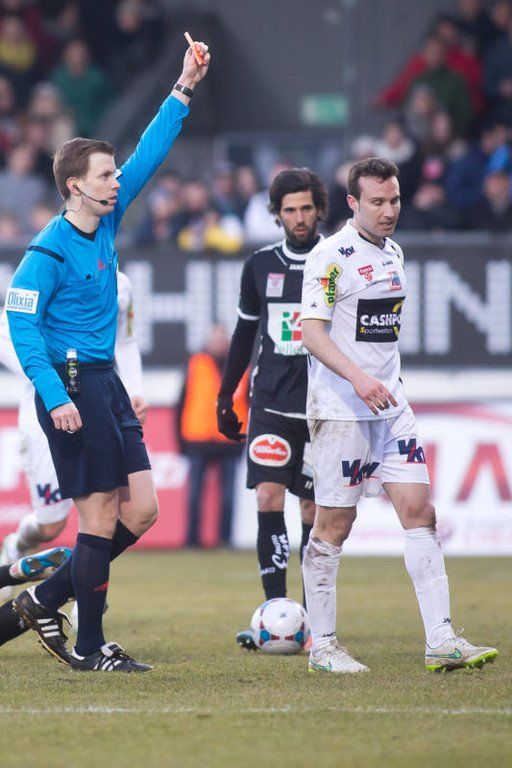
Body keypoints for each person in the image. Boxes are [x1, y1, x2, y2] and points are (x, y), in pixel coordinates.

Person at [5, 41, 210, 673]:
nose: (117, 180)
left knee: (141, 511)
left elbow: (149, 153)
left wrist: (183, 87)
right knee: (95, 518)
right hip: (71, 383)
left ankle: (42, 599)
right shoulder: (45, 252)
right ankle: (91, 647)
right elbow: (21, 328)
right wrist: (55, 396)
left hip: (106, 380)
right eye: (104, 175)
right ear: (75, 187)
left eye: (114, 174)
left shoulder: (110, 219)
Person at [300, 157, 498, 674]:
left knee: (420, 512)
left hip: (390, 407)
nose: (389, 211)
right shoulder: (330, 258)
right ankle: (323, 646)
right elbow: (311, 333)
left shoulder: (394, 252)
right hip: (342, 411)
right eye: (377, 202)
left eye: (394, 200)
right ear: (353, 203)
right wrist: (358, 378)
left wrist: (383, 382)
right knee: (334, 525)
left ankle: (441, 639)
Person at [216, 167, 327, 651]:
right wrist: (225, 396)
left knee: (314, 511)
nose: (299, 218)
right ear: (276, 215)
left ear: (319, 210)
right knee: (267, 497)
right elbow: (244, 334)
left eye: (306, 209)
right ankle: (275, 615)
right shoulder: (260, 265)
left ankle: (315, 622)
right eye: (290, 210)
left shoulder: (337, 261)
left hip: (323, 409)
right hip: (271, 405)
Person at [0, 270, 148, 604]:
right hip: (45, 411)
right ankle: (18, 545)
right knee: (51, 524)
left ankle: (85, 597)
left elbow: (126, 340)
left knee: (104, 510)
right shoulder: (47, 272)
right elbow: (9, 333)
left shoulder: (121, 284)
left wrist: (136, 389)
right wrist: (53, 377)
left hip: (99, 407)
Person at [177, 324, 248, 547]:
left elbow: (249, 404)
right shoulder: (195, 364)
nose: (218, 343)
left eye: (222, 339)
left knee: (228, 496)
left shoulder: (241, 366)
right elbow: (181, 403)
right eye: (215, 339)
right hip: (198, 439)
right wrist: (181, 442)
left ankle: (225, 540)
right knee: (194, 495)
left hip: (229, 441)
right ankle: (192, 541)